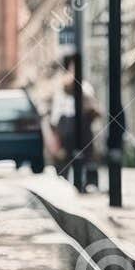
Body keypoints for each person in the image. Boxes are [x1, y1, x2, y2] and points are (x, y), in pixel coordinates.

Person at [50, 60, 100, 191]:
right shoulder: (84, 87)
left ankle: (77, 182)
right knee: (83, 155)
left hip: (72, 124)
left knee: (73, 156)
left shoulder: (79, 87)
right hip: (76, 124)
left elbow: (55, 116)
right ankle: (85, 183)